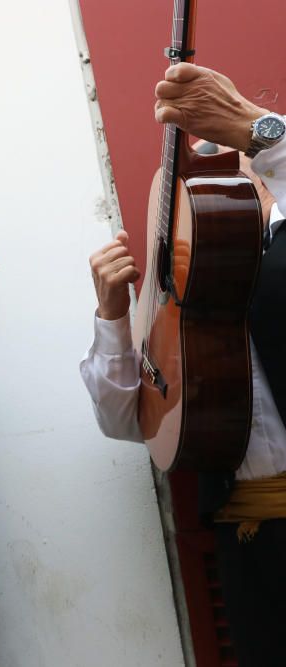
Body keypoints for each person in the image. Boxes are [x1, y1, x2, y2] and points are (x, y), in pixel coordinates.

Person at [80, 63, 286, 666]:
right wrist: (112, 315)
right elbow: (127, 420)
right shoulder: (185, 294)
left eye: (235, 163)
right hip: (248, 546)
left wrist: (263, 134)